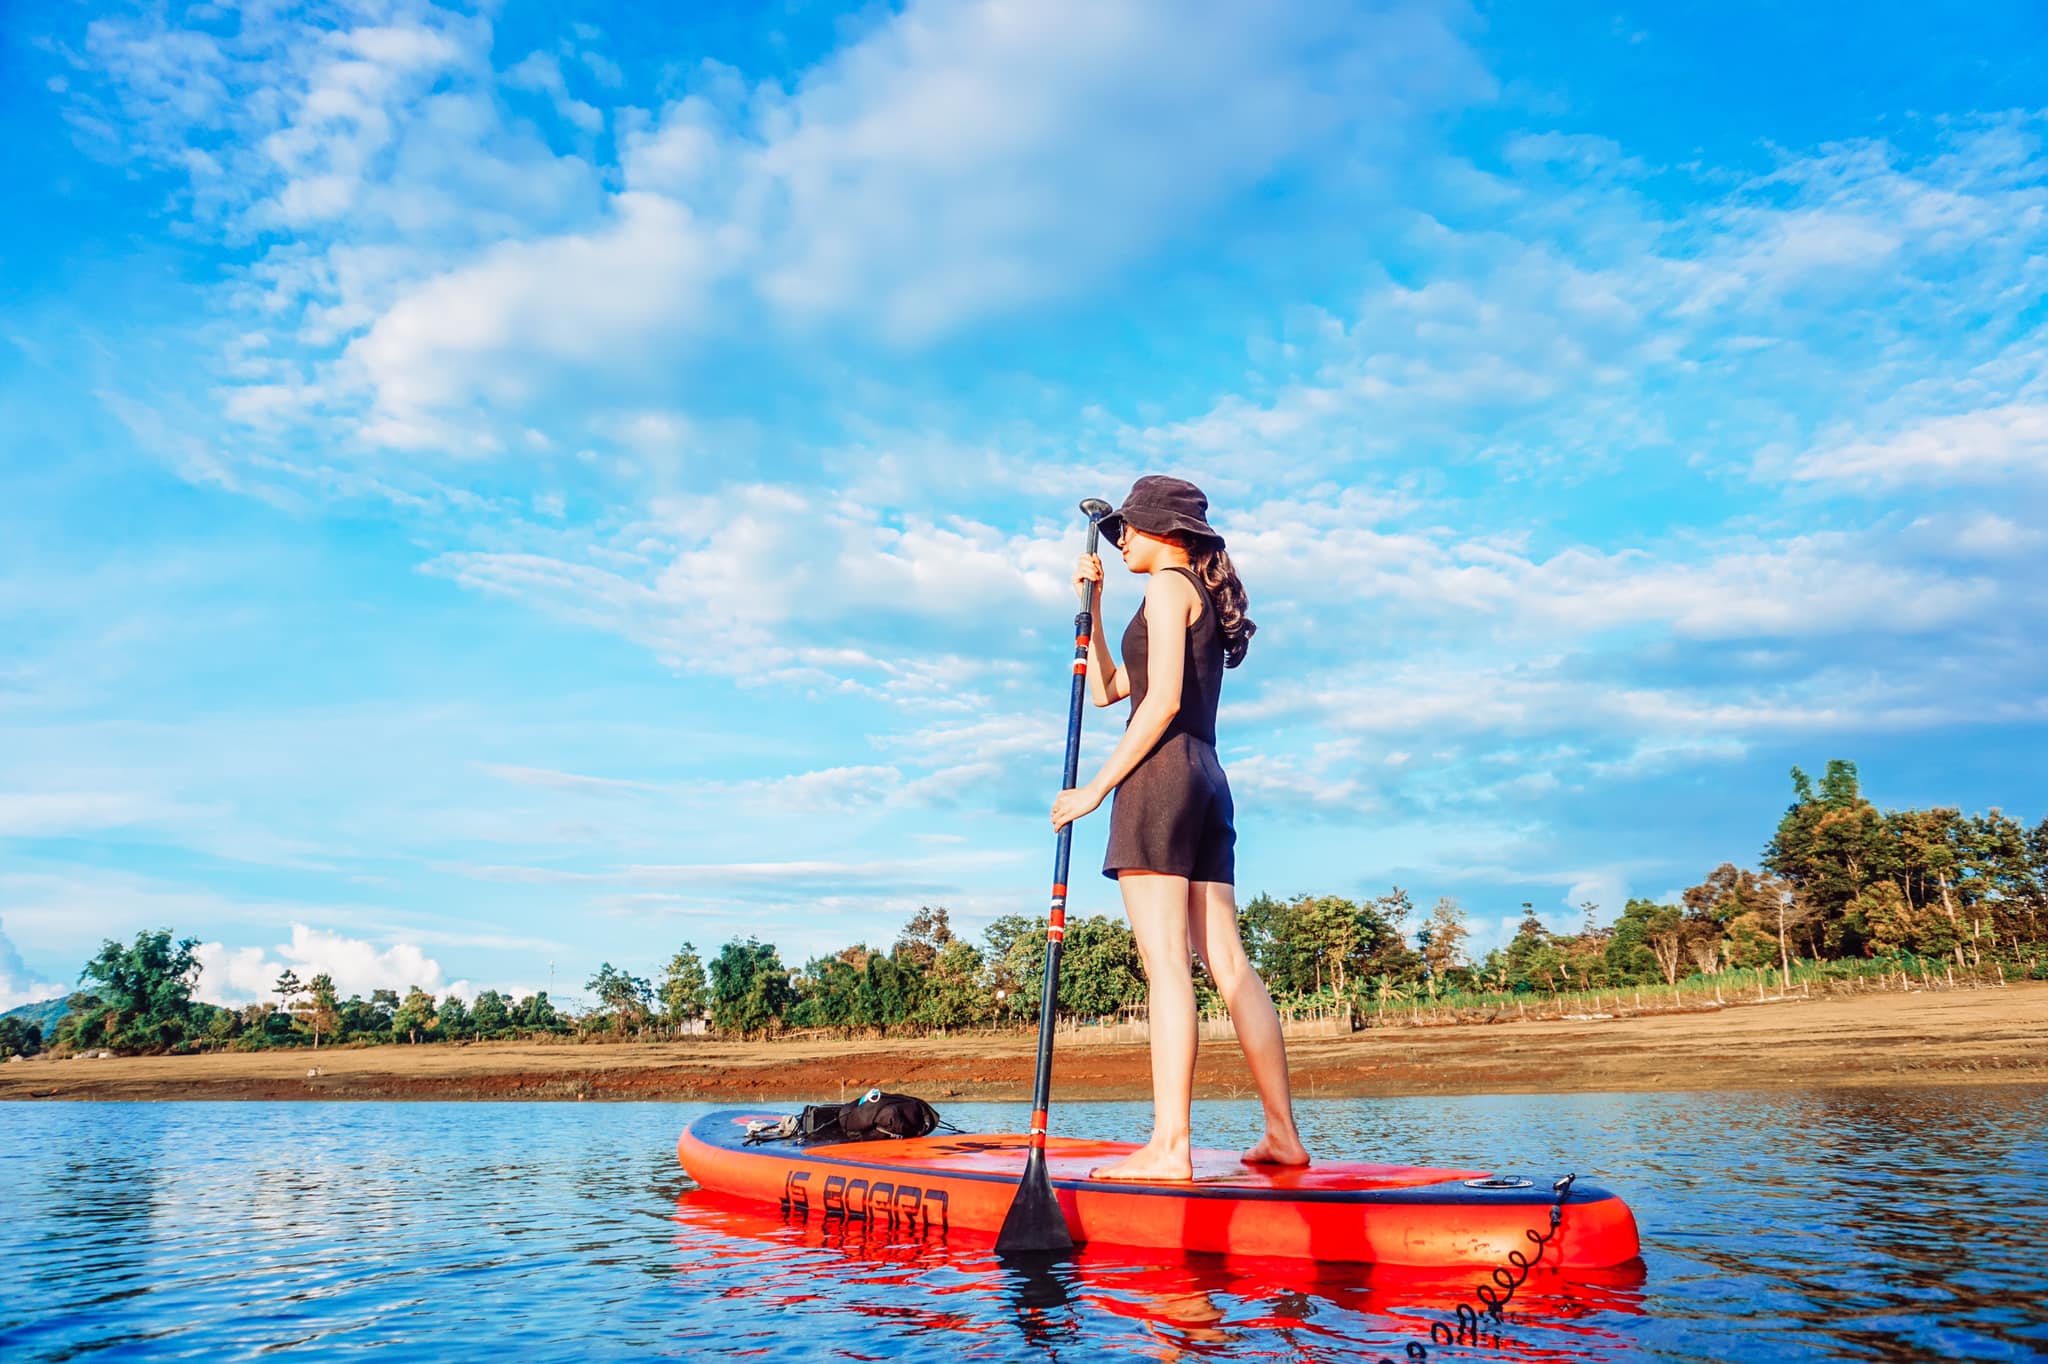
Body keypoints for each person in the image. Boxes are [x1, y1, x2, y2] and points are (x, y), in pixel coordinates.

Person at [1050, 475, 1310, 1181]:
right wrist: (1096, 607)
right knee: (1226, 962)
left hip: (1160, 781)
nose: (1122, 538)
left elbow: (1159, 703)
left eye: (1128, 528)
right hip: (1207, 781)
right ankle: (1281, 1136)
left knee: (1166, 963)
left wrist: (1094, 791)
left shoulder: (1168, 585)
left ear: (1167, 531)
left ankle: (1170, 1146)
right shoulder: (1181, 593)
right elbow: (1110, 691)